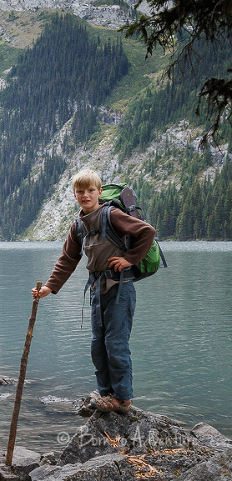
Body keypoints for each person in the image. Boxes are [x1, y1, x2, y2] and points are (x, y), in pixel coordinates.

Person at [31, 169, 155, 414]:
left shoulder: (112, 215)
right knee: (98, 345)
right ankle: (106, 393)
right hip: (98, 290)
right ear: (75, 195)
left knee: (116, 343)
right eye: (80, 191)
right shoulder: (78, 225)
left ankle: (123, 398)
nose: (85, 195)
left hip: (121, 288)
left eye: (90, 191)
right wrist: (49, 287)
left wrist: (130, 259)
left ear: (99, 192)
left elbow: (146, 232)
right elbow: (67, 259)